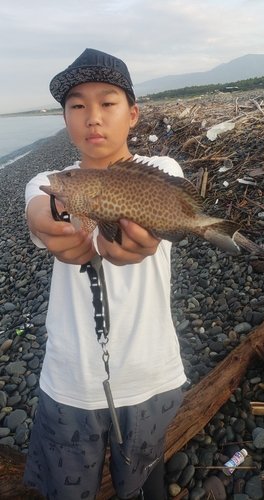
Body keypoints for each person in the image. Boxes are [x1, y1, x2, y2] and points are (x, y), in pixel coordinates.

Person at [23, 48, 187, 500]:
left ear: (133, 114)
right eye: (77, 105)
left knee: (146, 481)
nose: (92, 117)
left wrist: (137, 241)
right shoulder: (49, 178)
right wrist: (50, 220)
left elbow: (156, 224)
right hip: (70, 381)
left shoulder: (161, 172)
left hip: (151, 374)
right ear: (65, 118)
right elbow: (43, 207)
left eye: (107, 102)